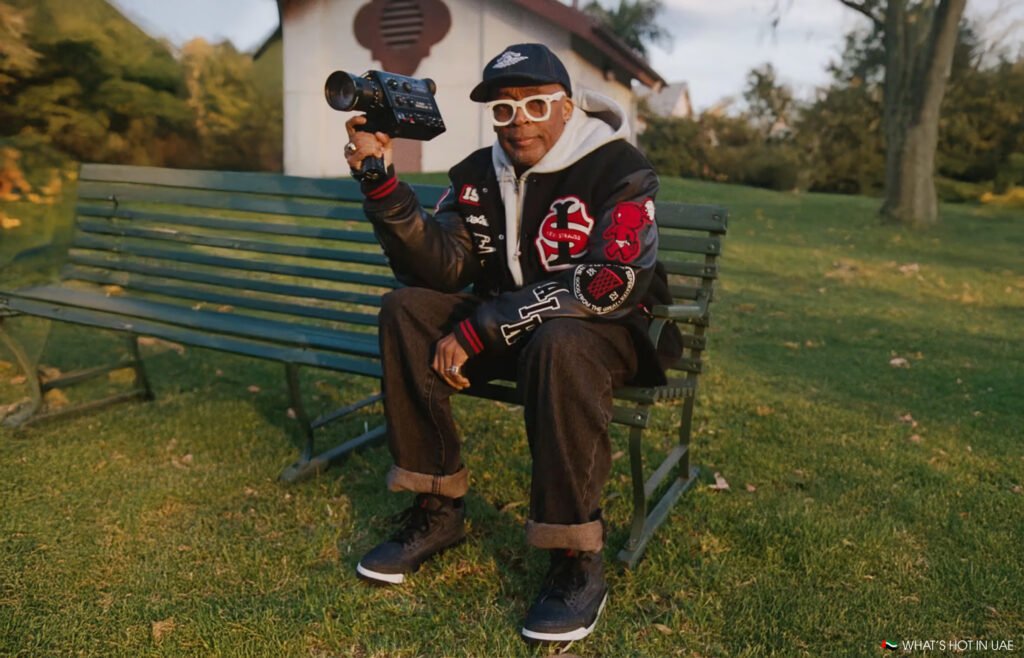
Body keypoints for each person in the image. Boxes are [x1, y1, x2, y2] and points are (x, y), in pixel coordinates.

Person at [343, 42, 679, 644]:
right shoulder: (478, 174)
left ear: (567, 106)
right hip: (515, 322)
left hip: (604, 329)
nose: (518, 119)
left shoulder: (619, 167)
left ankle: (574, 556)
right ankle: (435, 507)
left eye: (535, 103)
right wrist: (379, 182)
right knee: (406, 311)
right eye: (503, 109)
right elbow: (442, 268)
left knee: (560, 343)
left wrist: (481, 328)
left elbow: (612, 281)